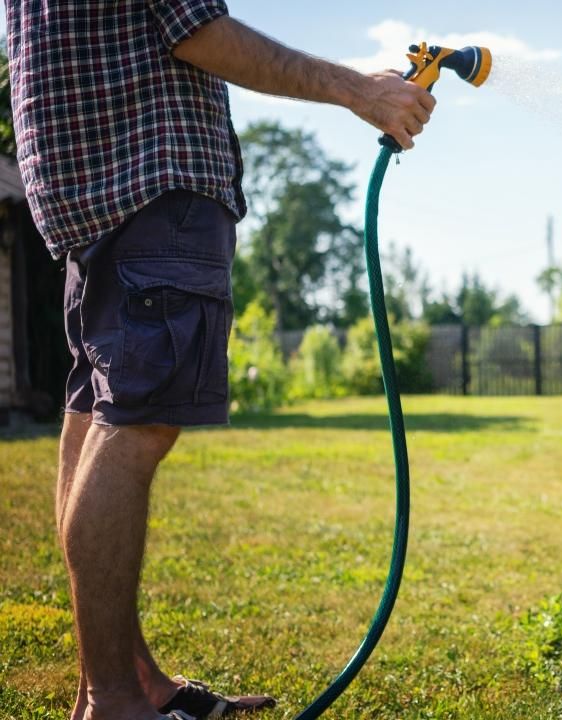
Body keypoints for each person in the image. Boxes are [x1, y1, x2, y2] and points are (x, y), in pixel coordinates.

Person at [5, 3, 436, 719]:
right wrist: (360, 90)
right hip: (154, 181)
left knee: (97, 419)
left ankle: (123, 684)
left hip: (85, 188)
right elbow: (195, 28)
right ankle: (115, 702)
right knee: (135, 427)